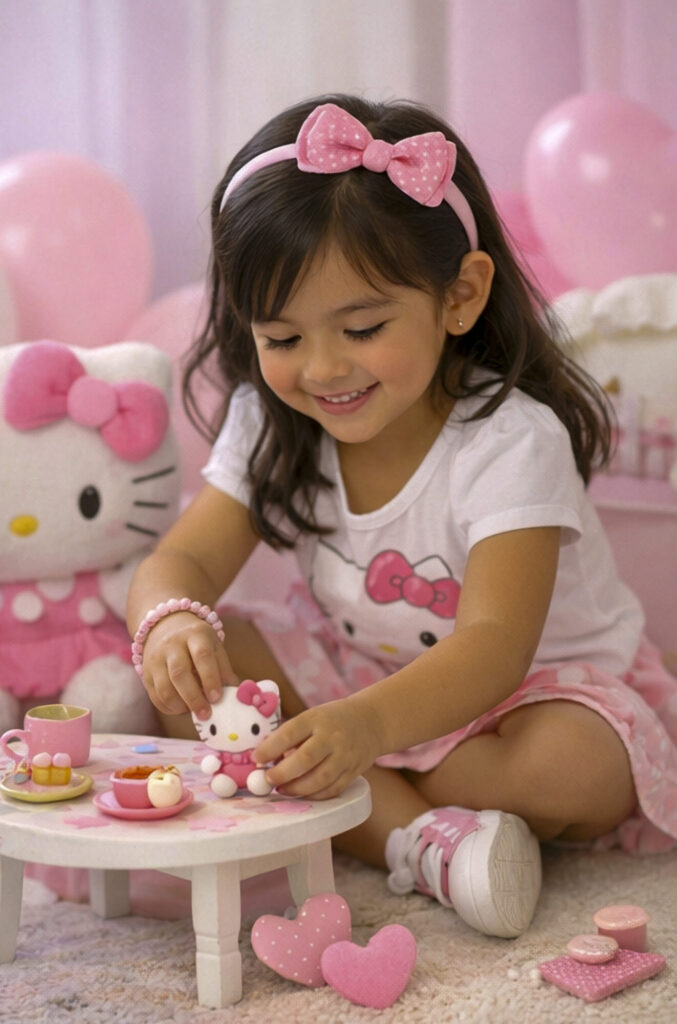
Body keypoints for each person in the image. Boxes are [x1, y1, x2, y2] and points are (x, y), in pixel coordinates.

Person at [126, 94, 677, 939]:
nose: (322, 369)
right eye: (282, 339)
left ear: (459, 296)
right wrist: (169, 623)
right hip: (354, 676)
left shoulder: (508, 438)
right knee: (197, 675)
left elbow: (493, 645)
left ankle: (361, 803)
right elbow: (183, 563)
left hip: (521, 696)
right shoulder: (271, 421)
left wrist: (365, 728)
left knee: (570, 768)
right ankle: (417, 840)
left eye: (361, 328)